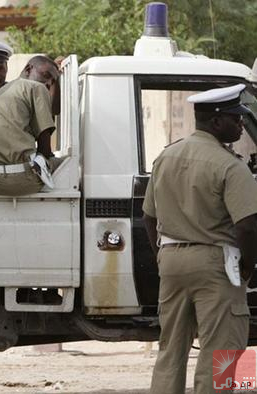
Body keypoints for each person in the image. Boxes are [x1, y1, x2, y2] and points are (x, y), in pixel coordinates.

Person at [143, 84, 257, 393]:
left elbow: (148, 216)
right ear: (217, 122)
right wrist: (248, 266)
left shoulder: (166, 156)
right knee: (222, 349)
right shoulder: (230, 166)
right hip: (216, 263)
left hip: (171, 261)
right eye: (236, 119)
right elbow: (247, 226)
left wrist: (162, 256)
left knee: (171, 348)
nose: (241, 125)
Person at [0, 66, 56, 196]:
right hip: (19, 182)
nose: (48, 83)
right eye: (46, 75)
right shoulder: (35, 87)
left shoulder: (1, 94)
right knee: (62, 164)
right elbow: (45, 150)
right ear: (28, 69)